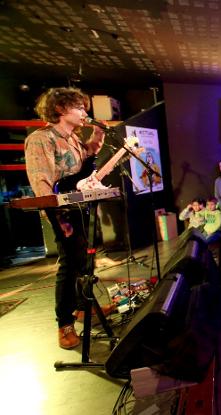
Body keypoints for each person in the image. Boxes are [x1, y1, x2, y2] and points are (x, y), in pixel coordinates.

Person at [24, 87, 107, 349]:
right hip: (61, 211)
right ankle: (64, 324)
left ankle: (84, 307)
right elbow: (42, 182)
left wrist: (99, 133)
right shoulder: (42, 138)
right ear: (60, 109)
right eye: (79, 107)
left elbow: (87, 157)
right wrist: (57, 216)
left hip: (78, 208)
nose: (85, 112)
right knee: (69, 263)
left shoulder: (72, 139)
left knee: (84, 258)